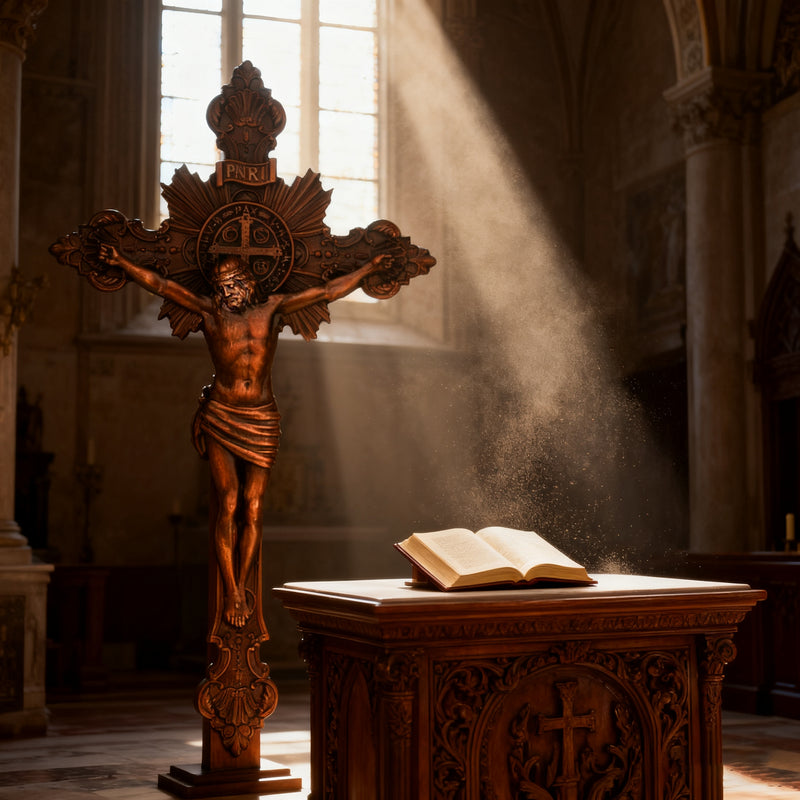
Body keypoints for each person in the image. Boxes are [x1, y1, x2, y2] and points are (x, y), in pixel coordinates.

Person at [98, 243, 393, 627]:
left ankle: (243, 581)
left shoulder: (272, 308)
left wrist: (368, 269)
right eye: (221, 287)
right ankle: (233, 590)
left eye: (232, 285)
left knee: (253, 507)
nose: (226, 293)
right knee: (229, 501)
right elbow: (162, 285)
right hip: (222, 413)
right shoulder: (210, 311)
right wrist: (122, 261)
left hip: (262, 416)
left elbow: (325, 292)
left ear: (248, 282)